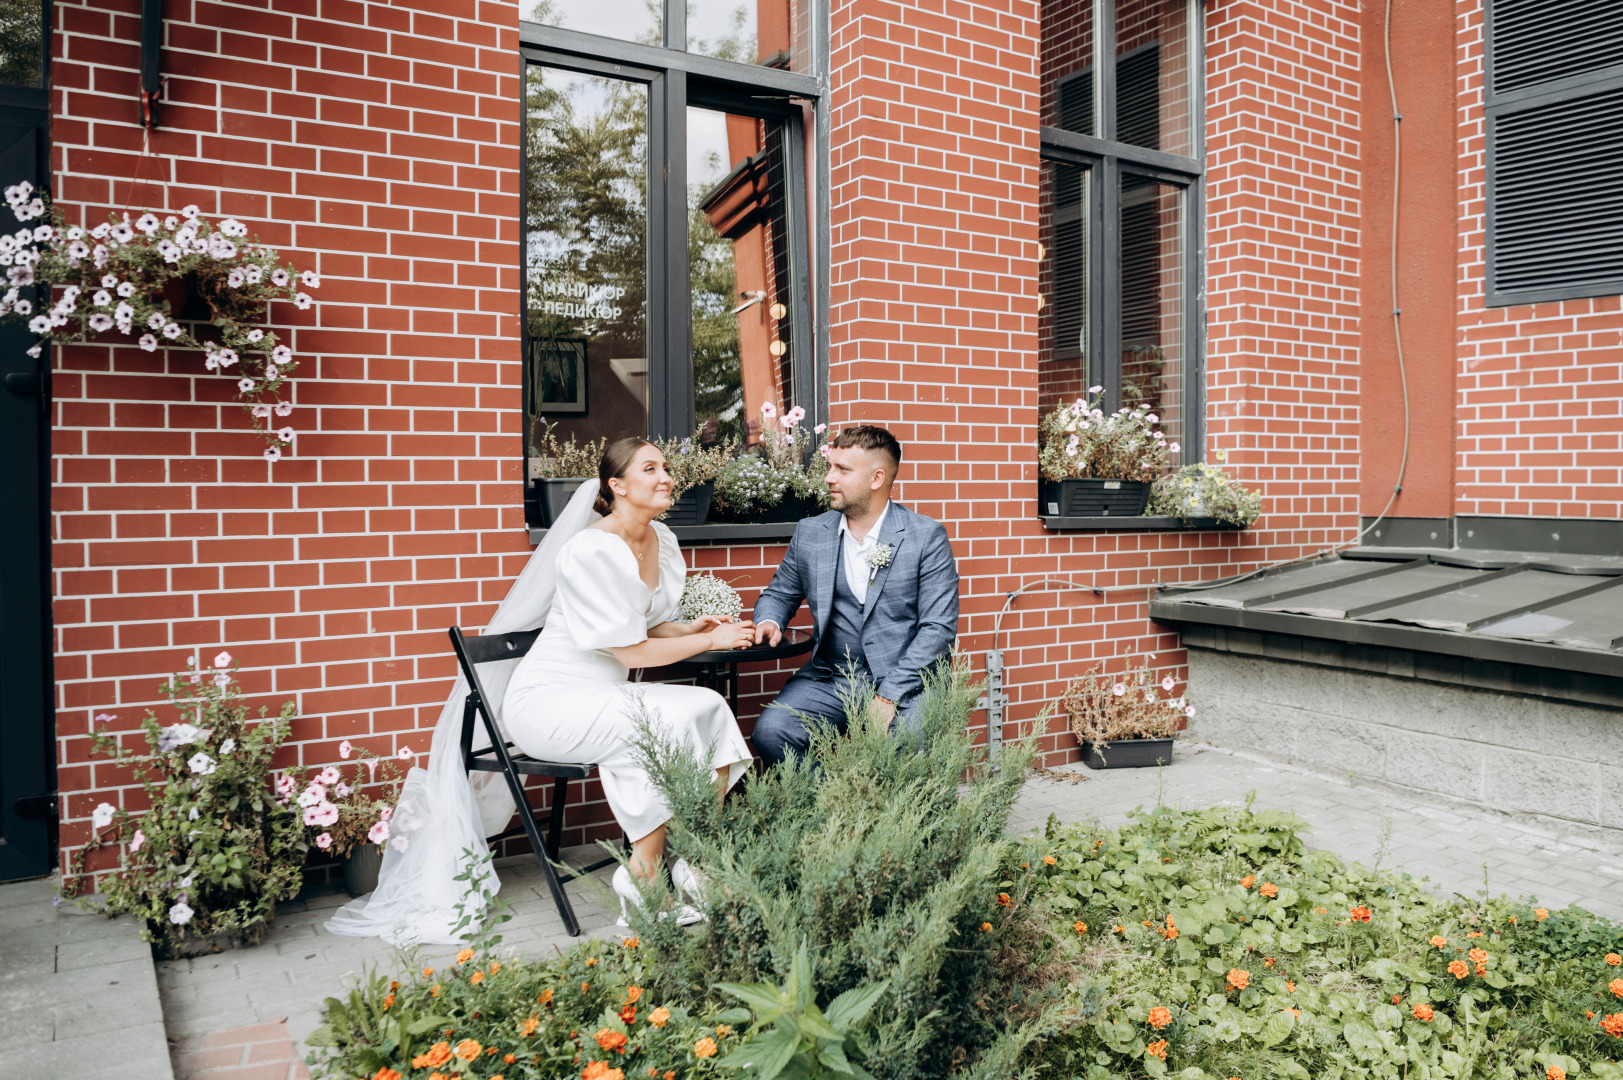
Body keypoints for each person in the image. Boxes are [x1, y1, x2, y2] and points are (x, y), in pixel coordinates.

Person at [502, 438, 756, 921]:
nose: (666, 477)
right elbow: (630, 649)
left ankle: (697, 864)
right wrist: (709, 642)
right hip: (550, 701)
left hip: (606, 693)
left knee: (708, 708)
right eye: (649, 468)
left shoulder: (663, 540)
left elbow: (641, 621)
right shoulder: (591, 550)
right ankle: (644, 876)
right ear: (616, 485)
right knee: (654, 724)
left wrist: (689, 629)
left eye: (666, 467)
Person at [750, 425, 959, 765]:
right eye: (830, 467)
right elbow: (780, 592)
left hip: (906, 682)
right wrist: (770, 619)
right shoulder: (811, 533)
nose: (829, 478)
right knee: (773, 731)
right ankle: (830, 811)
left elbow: (938, 629)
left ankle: (895, 817)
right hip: (833, 677)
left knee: (909, 744)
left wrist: (889, 695)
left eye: (842, 470)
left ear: (877, 479)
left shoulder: (925, 537)